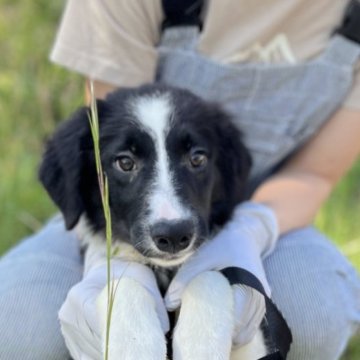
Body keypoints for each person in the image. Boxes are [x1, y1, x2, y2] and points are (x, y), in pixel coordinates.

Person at [1, 0, 360, 359]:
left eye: (197, 158)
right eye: (127, 162)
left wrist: (250, 230)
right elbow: (105, 138)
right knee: (18, 327)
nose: (168, 213)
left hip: (265, 212)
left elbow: (313, 174)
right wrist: (114, 273)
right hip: (118, 226)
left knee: (313, 318)